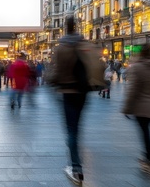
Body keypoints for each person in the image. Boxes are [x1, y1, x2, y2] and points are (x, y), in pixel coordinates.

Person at [47, 16, 88, 185]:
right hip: (83, 91)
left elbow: (56, 72)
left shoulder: (61, 48)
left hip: (68, 91)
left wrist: (51, 80)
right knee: (76, 126)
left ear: (65, 28)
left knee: (71, 130)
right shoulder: (84, 44)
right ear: (76, 26)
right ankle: (75, 155)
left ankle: (76, 168)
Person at [122, 43, 150, 176]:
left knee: (145, 132)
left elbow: (133, 90)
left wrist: (127, 108)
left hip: (141, 106)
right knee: (147, 132)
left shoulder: (138, 68)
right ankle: (147, 158)